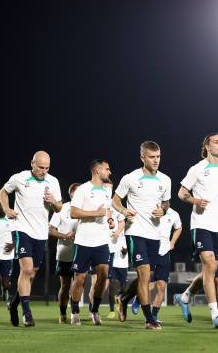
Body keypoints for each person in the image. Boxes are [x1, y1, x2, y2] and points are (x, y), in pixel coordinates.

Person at [177, 133, 218, 328]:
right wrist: (195, 200)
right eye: (216, 142)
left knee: (209, 269)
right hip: (201, 223)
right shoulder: (197, 169)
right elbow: (182, 193)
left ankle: (184, 296)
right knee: (211, 265)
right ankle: (215, 315)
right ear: (207, 146)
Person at [0, 151, 63, 327]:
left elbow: (59, 208)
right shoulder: (19, 178)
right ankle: (27, 313)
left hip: (41, 234)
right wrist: (6, 209)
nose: (44, 171)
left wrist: (53, 201)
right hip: (21, 230)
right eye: (41, 167)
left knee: (31, 274)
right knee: (26, 270)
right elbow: (3, 193)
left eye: (47, 168)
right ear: (32, 164)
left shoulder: (53, 181)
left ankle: (14, 304)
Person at [113, 141, 171, 330]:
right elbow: (115, 201)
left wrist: (163, 210)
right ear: (142, 158)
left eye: (158, 157)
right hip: (135, 232)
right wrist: (123, 210)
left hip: (154, 234)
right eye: (152, 157)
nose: (156, 161)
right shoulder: (130, 178)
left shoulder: (165, 180)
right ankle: (149, 319)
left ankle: (124, 298)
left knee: (147, 275)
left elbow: (166, 204)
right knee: (144, 273)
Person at [68, 160, 113, 326]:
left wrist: (109, 219)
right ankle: (74, 311)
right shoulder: (83, 190)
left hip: (102, 241)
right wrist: (94, 213)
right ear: (97, 170)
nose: (109, 172)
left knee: (103, 276)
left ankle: (94, 310)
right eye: (107, 169)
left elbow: (107, 209)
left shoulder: (107, 190)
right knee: (79, 279)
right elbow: (73, 212)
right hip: (84, 241)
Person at [48, 183, 80, 324]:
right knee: (65, 285)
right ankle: (62, 313)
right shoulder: (62, 209)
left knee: (78, 284)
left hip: (81, 252)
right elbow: (51, 230)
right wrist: (64, 236)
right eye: (77, 192)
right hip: (64, 253)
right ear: (72, 193)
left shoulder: (86, 209)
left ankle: (75, 312)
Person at [151, 207, 182, 324]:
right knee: (148, 285)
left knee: (161, 286)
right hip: (151, 250)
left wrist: (172, 242)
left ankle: (153, 316)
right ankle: (136, 300)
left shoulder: (174, 213)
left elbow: (179, 228)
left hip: (164, 251)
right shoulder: (151, 207)